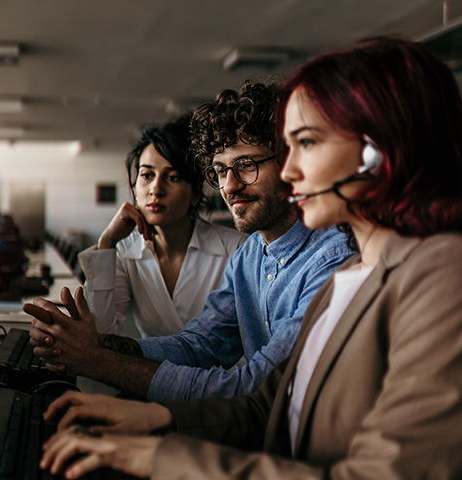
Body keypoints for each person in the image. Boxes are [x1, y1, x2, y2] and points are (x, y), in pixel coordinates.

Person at [37, 37, 462, 480]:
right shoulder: (350, 276)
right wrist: (161, 419)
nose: (292, 172)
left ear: (378, 152)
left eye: (308, 143)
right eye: (221, 171)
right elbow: (271, 406)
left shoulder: (436, 273)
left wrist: (162, 455)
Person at [24, 81, 354, 401]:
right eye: (220, 171)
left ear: (291, 164)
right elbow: (199, 345)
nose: (230, 186)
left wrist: (97, 360)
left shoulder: (333, 260)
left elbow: (257, 388)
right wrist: (95, 345)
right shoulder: (251, 255)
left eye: (246, 165)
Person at [78, 115, 248, 338]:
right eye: (147, 175)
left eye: (173, 177)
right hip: (151, 373)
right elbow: (101, 333)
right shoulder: (122, 252)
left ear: (196, 193)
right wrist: (107, 243)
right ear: (134, 187)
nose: (155, 189)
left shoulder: (236, 249)